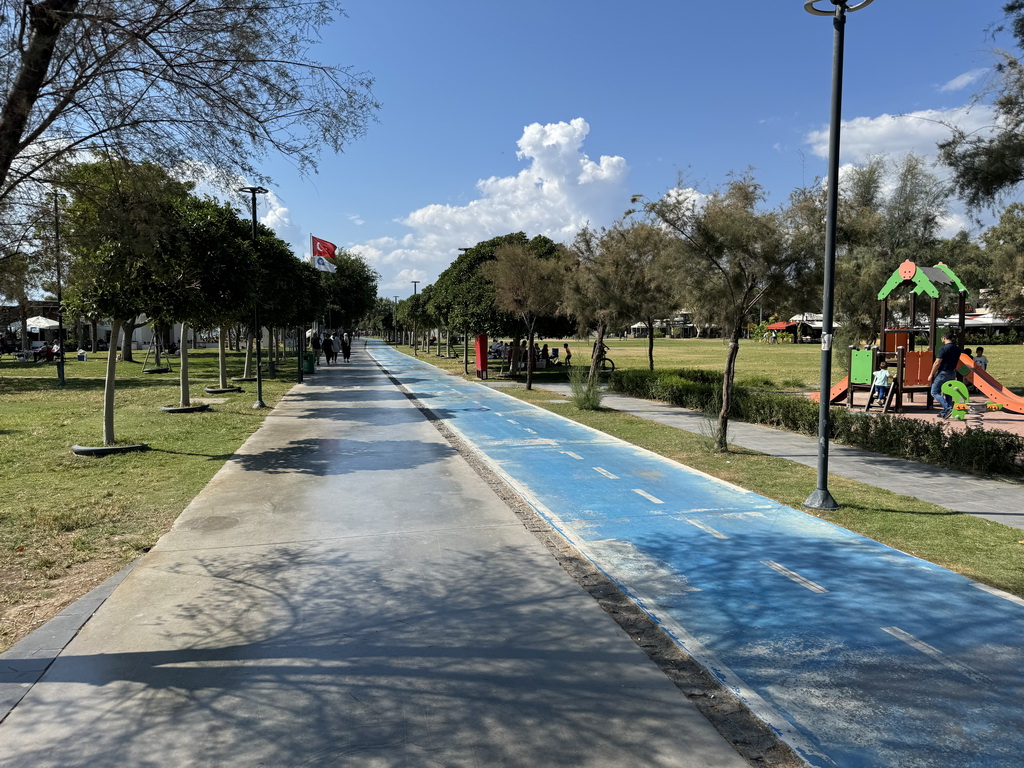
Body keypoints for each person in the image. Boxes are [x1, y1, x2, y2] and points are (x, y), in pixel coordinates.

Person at [927, 330, 962, 419]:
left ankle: (948, 408)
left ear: (944, 338)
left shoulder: (943, 348)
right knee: (948, 392)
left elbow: (937, 362)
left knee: (934, 392)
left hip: (943, 372)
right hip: (952, 372)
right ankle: (945, 412)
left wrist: (931, 374)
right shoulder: (957, 348)